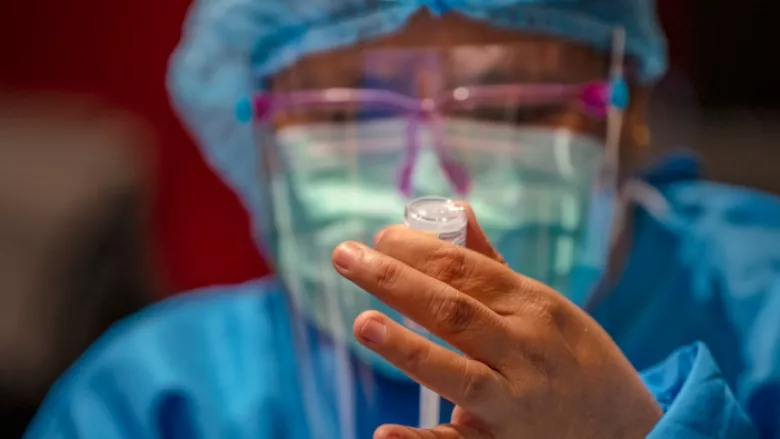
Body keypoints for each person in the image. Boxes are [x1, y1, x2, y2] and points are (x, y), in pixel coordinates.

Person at [21, 1, 780, 438]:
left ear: (629, 108)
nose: (430, 176)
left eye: (508, 105)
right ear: (260, 131)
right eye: (348, 110)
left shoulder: (762, 310)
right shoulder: (157, 401)